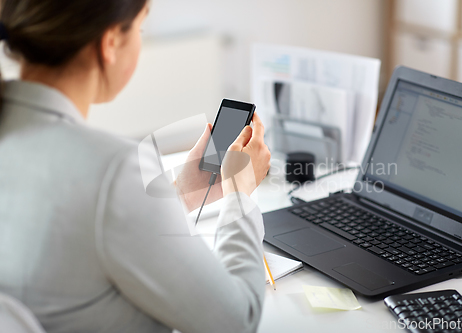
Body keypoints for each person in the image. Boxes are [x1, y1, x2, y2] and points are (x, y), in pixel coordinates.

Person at [0, 1, 271, 332]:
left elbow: (83, 236)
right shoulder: (112, 169)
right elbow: (236, 320)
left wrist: (181, 192)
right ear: (111, 42)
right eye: (140, 29)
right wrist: (239, 195)